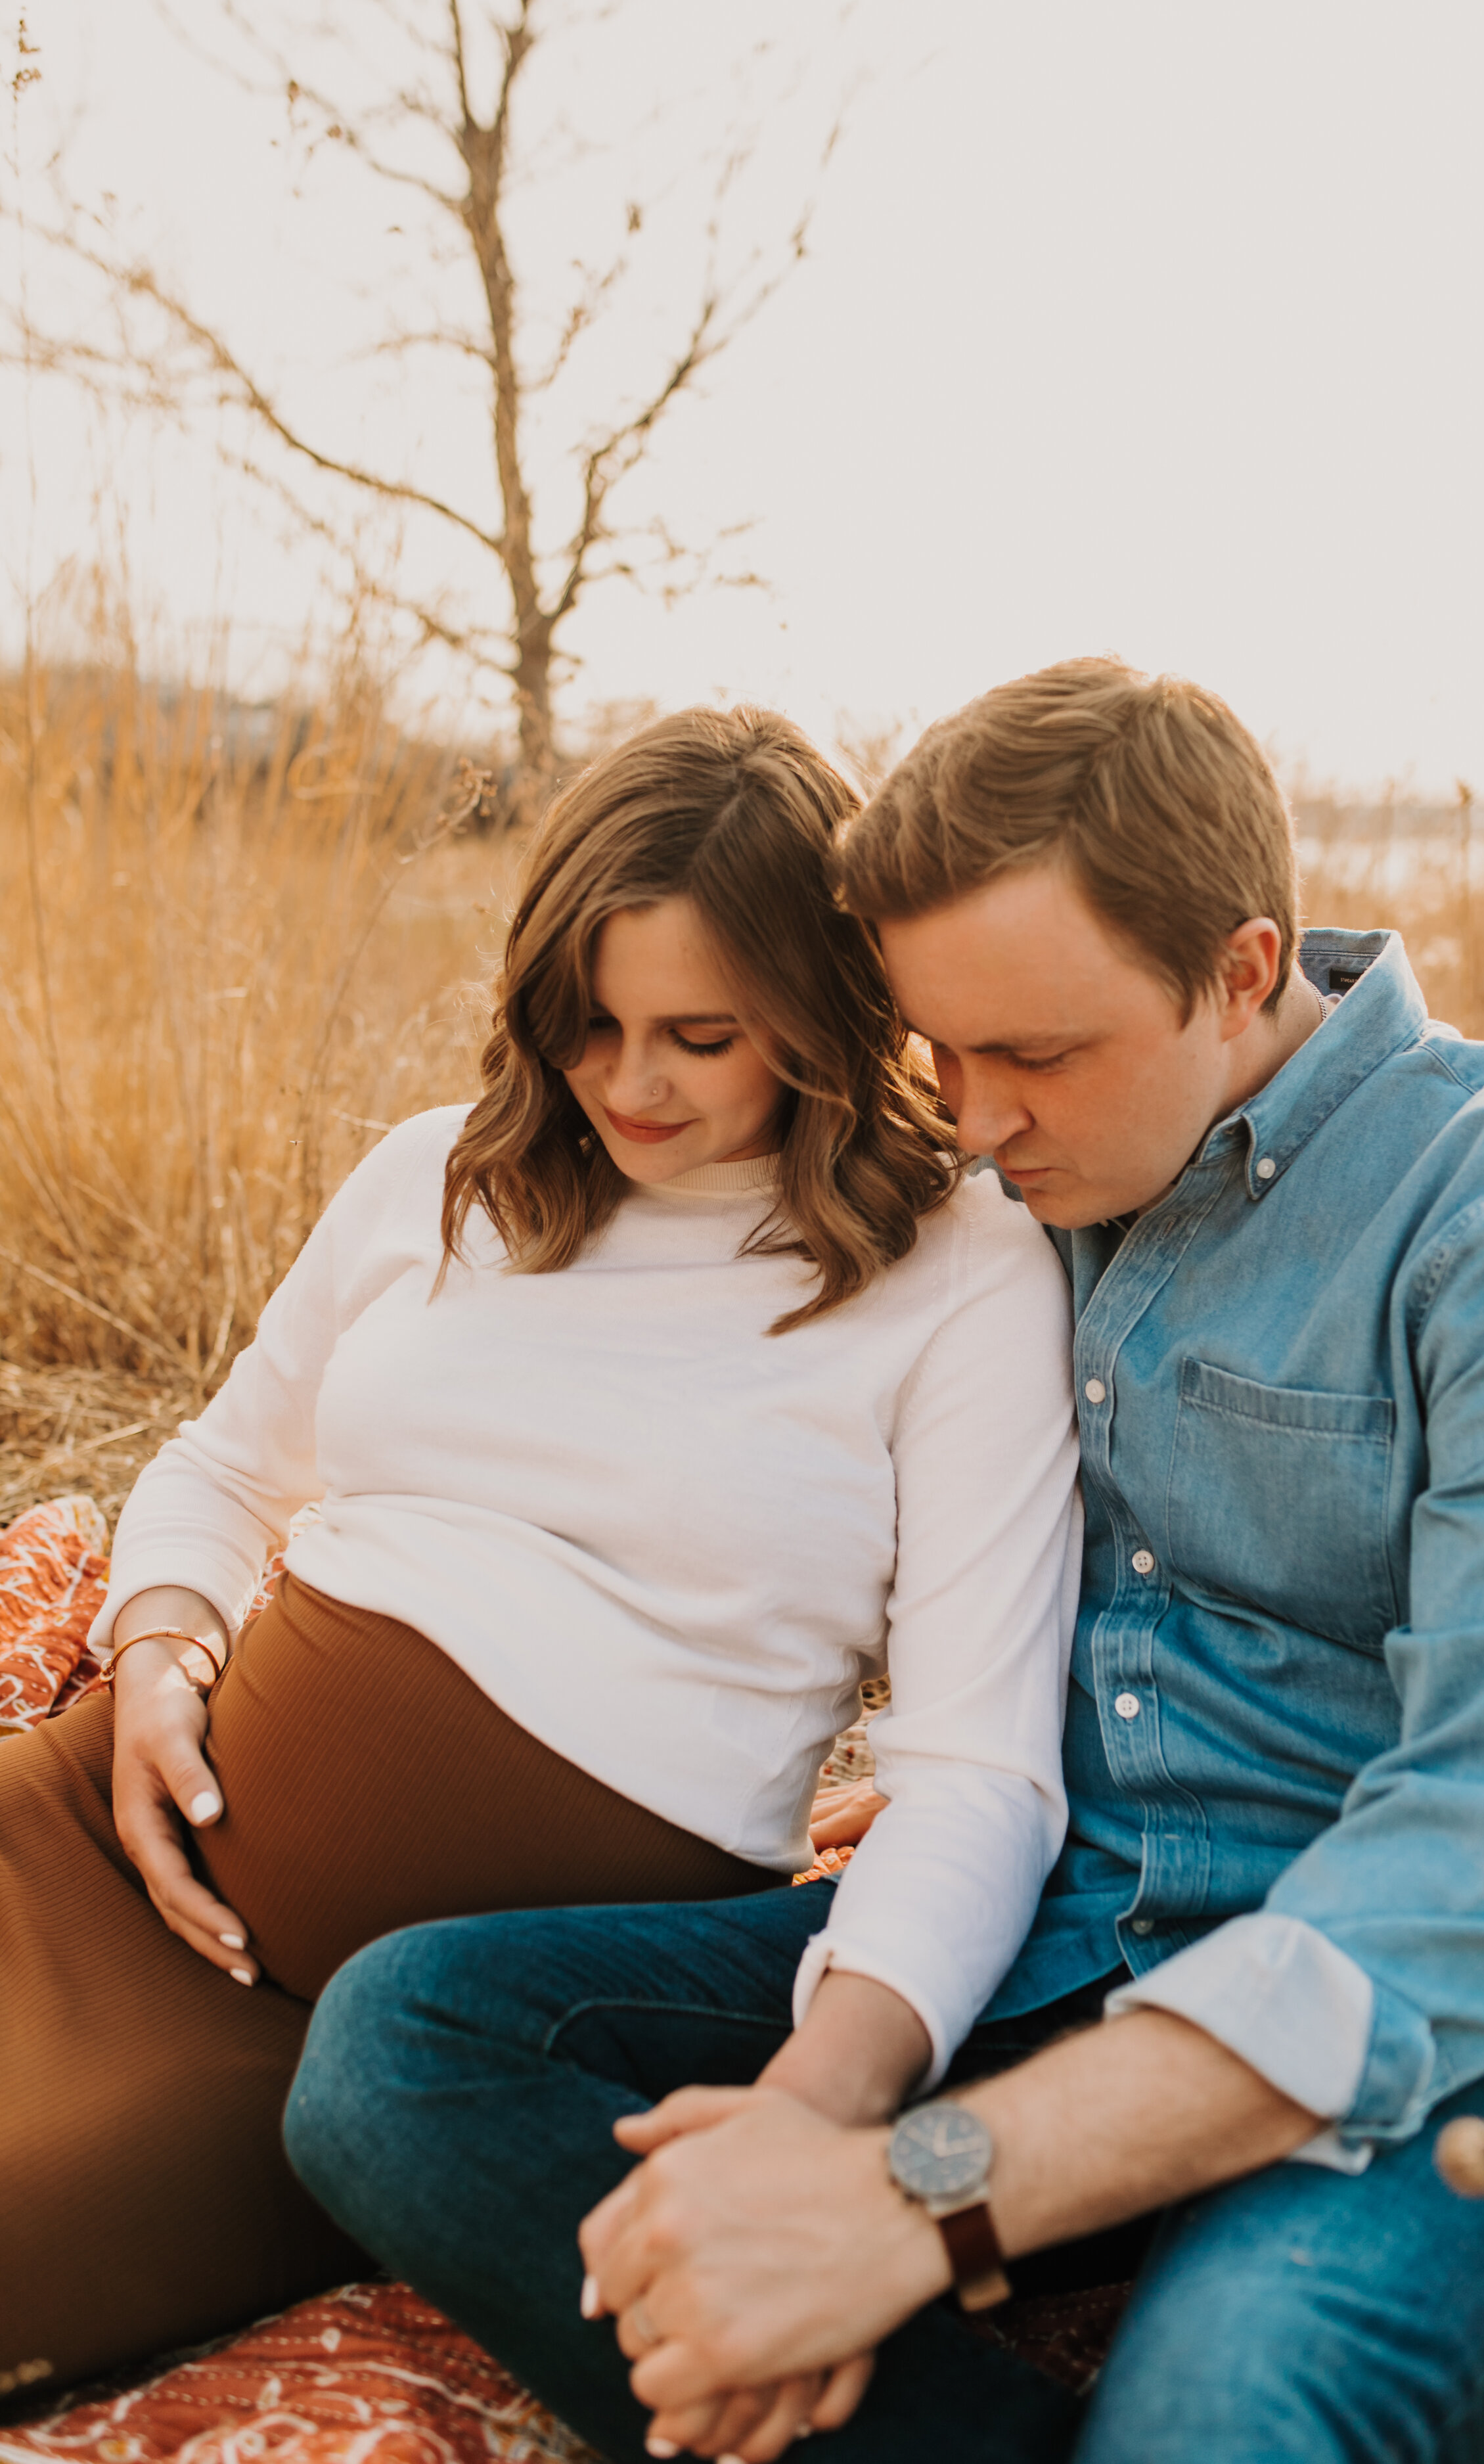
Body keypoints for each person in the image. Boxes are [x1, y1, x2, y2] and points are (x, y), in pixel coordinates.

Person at [286, 658, 1484, 2464]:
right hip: (1077, 1929)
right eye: (937, 1051)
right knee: (407, 2047)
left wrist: (914, 2190)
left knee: (1227, 2410)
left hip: (1454, 2008)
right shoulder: (1027, 1186)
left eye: (1032, 1055)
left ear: (1241, 972)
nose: (973, 1126)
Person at [0, 705, 1083, 2400]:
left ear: (817, 1004)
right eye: (583, 1024)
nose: (627, 1083)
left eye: (699, 1036)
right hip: (92, 1842)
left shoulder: (958, 1269)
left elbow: (977, 1768)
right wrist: (154, 1658)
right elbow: (221, 1468)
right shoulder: (438, 1179)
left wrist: (841, 2083)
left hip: (397, 2027)